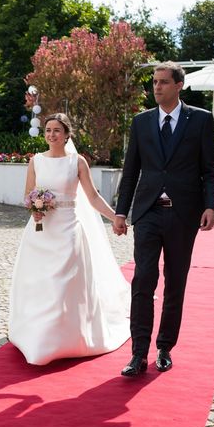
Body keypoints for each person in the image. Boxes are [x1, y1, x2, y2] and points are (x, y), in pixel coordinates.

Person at [113, 61, 214, 377]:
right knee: (143, 280)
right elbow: (131, 170)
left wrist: (210, 205)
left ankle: (164, 347)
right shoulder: (141, 122)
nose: (156, 87)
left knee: (176, 282)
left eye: (162, 82)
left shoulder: (200, 120)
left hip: (184, 215)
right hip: (148, 213)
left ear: (178, 85)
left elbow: (209, 171)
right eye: (154, 82)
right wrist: (121, 211)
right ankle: (138, 354)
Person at [9, 113, 130, 365]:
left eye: (57, 130)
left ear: (67, 135)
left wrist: (115, 217)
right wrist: (35, 207)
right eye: (48, 130)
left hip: (68, 231)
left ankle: (67, 337)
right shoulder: (36, 161)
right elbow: (27, 194)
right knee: (40, 284)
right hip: (41, 232)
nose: (51, 134)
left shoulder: (77, 162)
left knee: (64, 285)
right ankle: (38, 336)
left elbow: (93, 197)